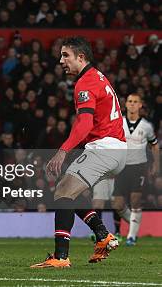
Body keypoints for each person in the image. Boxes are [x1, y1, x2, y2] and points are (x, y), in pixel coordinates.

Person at [32, 36, 127, 268]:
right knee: (70, 190)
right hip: (116, 148)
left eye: (66, 55)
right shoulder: (98, 77)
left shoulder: (85, 84)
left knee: (63, 192)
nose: (61, 60)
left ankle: (60, 258)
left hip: (104, 148)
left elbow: (84, 125)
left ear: (81, 57)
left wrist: (62, 151)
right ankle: (103, 235)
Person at [112, 94, 158, 246]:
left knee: (135, 200)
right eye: (130, 102)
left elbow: (154, 145)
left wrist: (156, 165)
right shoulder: (119, 123)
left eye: (135, 102)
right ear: (126, 105)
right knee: (117, 204)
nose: (132, 104)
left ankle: (132, 236)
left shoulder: (146, 126)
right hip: (121, 167)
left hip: (139, 167)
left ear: (140, 105)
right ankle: (134, 222)